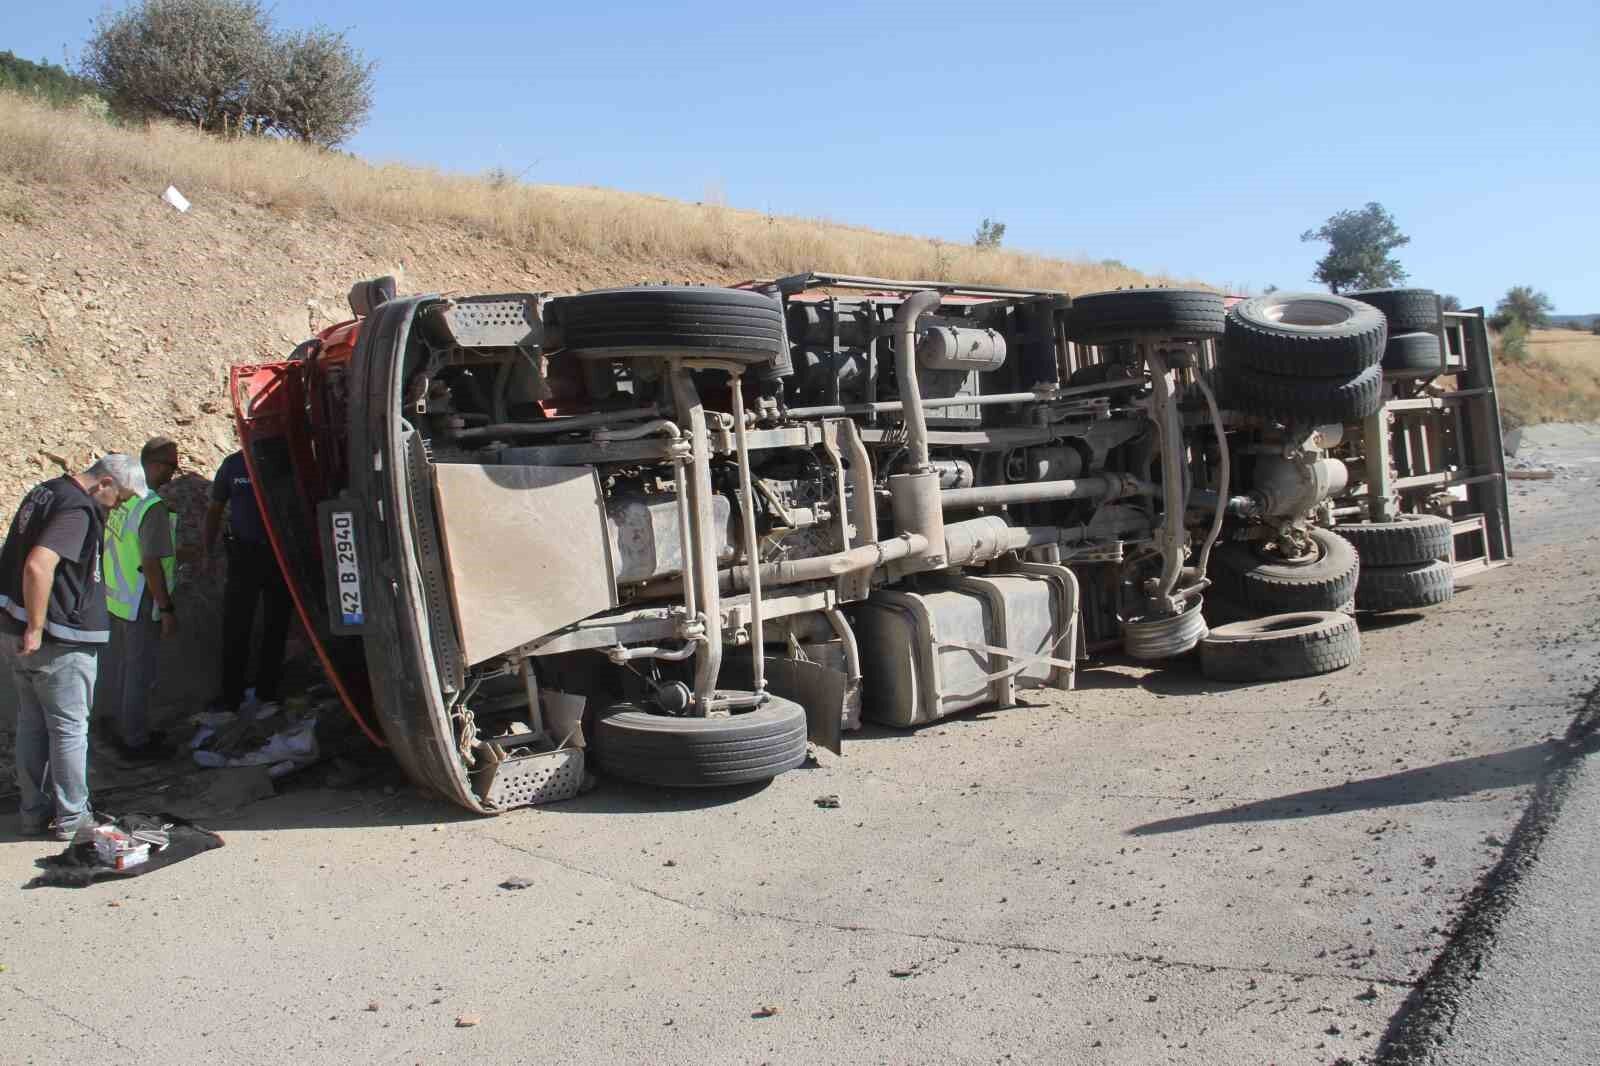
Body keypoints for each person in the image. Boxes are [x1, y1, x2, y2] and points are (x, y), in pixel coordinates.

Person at [2, 454, 149, 840]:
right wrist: (37, 627)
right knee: (68, 729)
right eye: (119, 499)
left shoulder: (46, 491)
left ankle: (33, 814)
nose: (117, 508)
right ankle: (72, 819)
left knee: (32, 724)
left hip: (16, 629)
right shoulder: (78, 509)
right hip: (58, 639)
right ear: (105, 484)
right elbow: (38, 565)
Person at [100, 437, 181, 761]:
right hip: (140, 600)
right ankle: (134, 741)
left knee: (125, 667)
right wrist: (167, 608)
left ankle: (122, 725)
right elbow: (150, 564)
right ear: (156, 465)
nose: (174, 474)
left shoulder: (126, 497)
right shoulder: (152, 506)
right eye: (172, 466)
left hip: (117, 597)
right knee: (140, 672)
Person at [204, 450, 291, 715]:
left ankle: (268, 691)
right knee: (236, 625)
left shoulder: (284, 457)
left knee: (276, 623)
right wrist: (208, 550)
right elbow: (215, 508)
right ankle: (231, 696)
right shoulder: (233, 464)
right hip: (244, 555)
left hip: (280, 554)